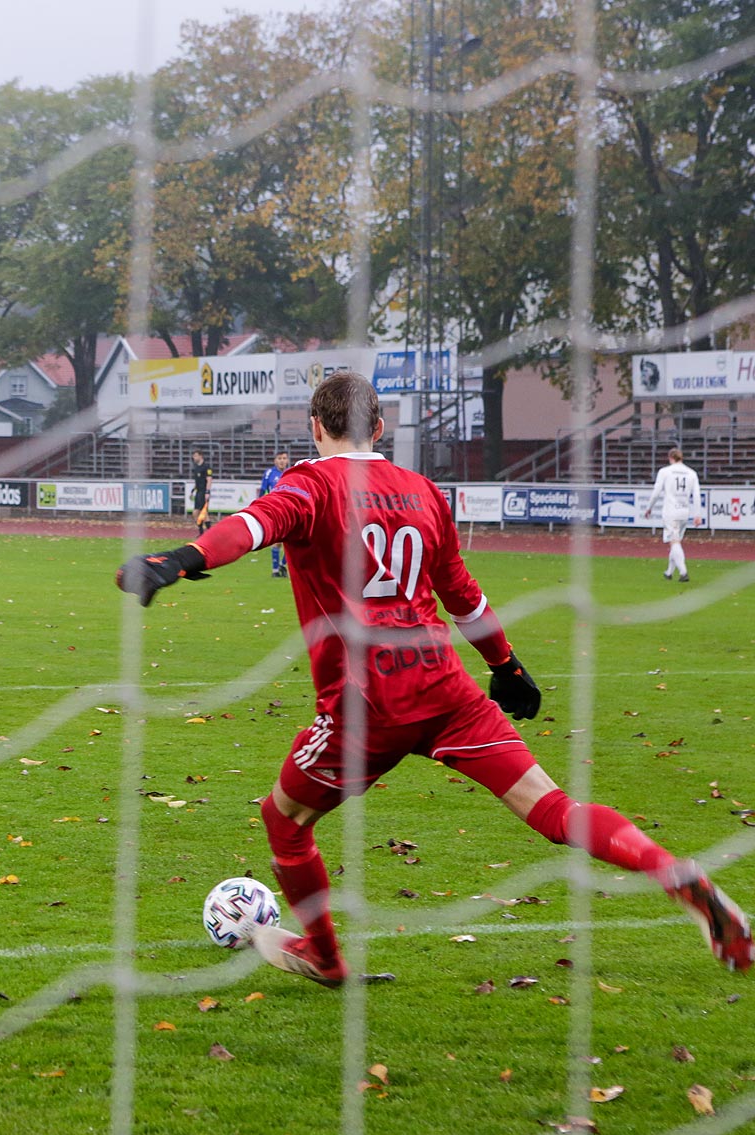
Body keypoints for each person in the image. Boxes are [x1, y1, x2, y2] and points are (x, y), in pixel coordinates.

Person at [118, 372, 750, 983]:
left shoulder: (307, 486)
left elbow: (251, 528)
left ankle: (327, 958)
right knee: (554, 807)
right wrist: (506, 665)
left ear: (316, 428)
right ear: (381, 425)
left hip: (367, 704)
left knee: (283, 820)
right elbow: (463, 597)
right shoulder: (423, 491)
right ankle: (672, 870)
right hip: (445, 687)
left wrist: (179, 559)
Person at [642, 447, 702, 583]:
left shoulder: (665, 472)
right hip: (684, 511)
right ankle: (669, 572)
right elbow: (697, 495)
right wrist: (697, 514)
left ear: (670, 458)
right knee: (676, 542)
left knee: (674, 542)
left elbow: (656, 491)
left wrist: (649, 508)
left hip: (671, 511)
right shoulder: (691, 473)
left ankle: (683, 571)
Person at [258, 450, 290, 578]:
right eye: (280, 458)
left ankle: (282, 565)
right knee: (277, 542)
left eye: (284, 458)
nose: (282, 461)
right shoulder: (269, 473)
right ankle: (276, 570)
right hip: (276, 511)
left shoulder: (291, 473)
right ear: (275, 460)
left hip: (289, 511)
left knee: (291, 542)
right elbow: (262, 491)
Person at [189, 450, 213, 536]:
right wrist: (193, 491)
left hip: (203, 492)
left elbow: (209, 480)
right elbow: (197, 482)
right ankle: (201, 532)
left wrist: (207, 492)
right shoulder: (196, 468)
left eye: (195, 455)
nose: (194, 457)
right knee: (195, 512)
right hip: (198, 492)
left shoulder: (206, 467)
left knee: (204, 512)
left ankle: (211, 533)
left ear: (200, 456)